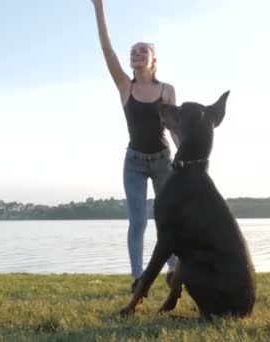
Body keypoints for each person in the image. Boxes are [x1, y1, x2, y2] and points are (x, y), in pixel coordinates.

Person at [91, 0, 178, 292]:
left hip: (164, 161)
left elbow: (174, 128)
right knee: (138, 220)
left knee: (166, 218)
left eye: (143, 50)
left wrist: (185, 159)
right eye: (133, 52)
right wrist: (99, 6)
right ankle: (138, 278)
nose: (136, 54)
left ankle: (175, 271)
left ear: (154, 60)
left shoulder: (166, 90)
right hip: (134, 163)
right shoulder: (124, 86)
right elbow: (106, 48)